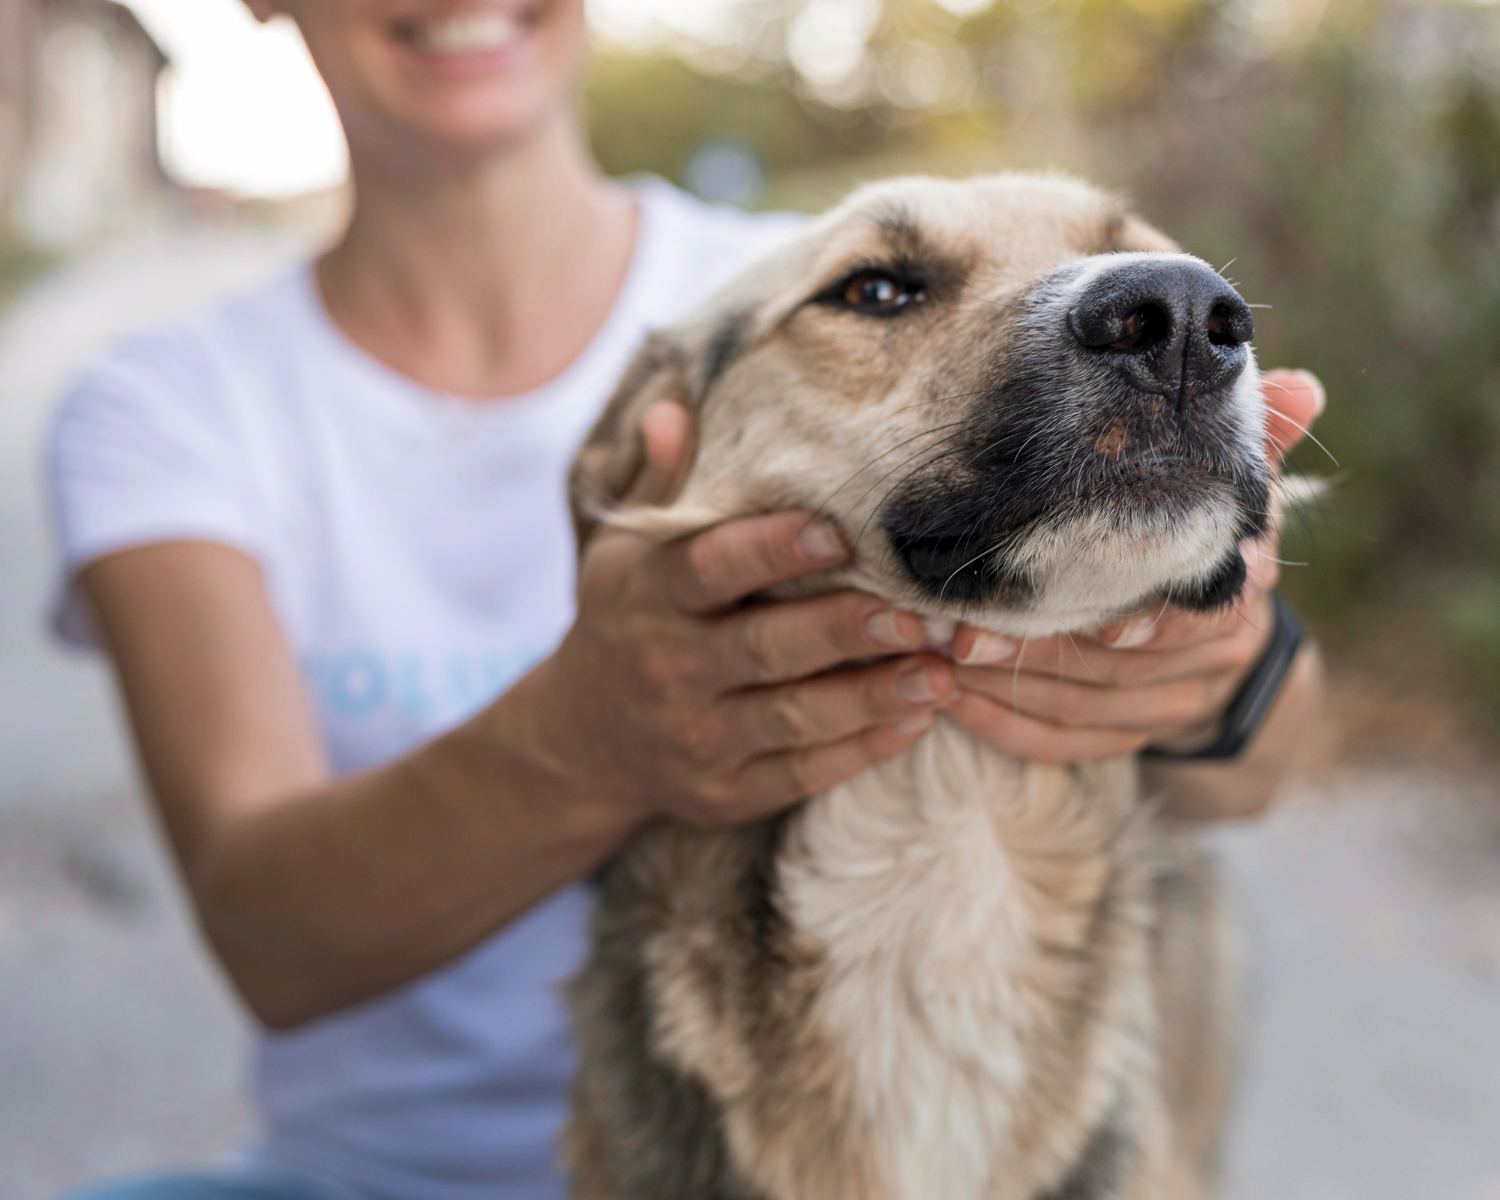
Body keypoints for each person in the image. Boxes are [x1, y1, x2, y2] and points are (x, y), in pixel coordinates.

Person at [47, 3, 1325, 1199]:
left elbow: (1255, 770)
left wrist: (1224, 672)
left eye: (1151, 286)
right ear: (624, 477)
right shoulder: (168, 404)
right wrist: (582, 736)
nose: (1155, 320)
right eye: (886, 292)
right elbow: (271, 940)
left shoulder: (760, 260)